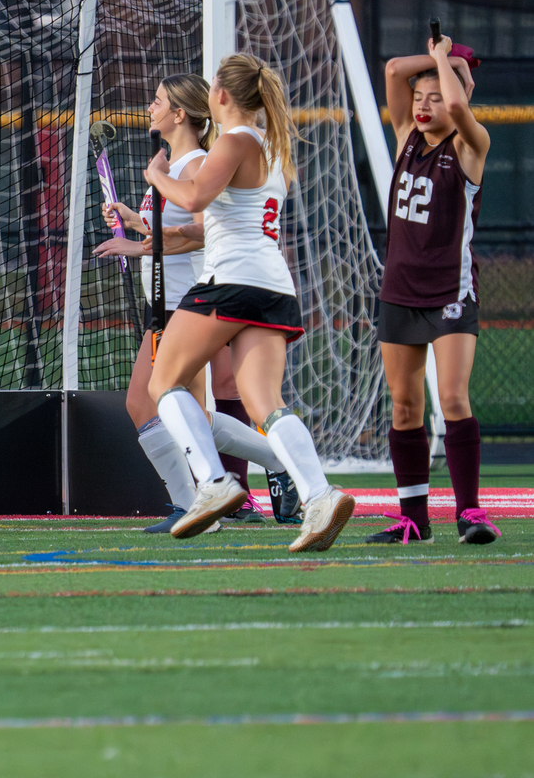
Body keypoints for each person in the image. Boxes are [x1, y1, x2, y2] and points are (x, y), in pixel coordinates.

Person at [144, 53, 354, 551]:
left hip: (231, 279)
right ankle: (319, 495)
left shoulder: (236, 140)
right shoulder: (273, 146)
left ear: (220, 96)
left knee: (163, 382)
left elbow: (194, 197)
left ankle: (214, 483)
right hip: (273, 285)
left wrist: (157, 175)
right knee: (266, 404)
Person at [96, 74, 298, 533]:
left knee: (147, 402)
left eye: (158, 100)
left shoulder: (192, 165)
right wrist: (134, 221)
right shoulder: (177, 163)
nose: (151, 107)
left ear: (179, 114)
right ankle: (272, 465)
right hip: (170, 302)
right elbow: (172, 229)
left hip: (188, 301)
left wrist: (141, 246)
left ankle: (195, 506)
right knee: (180, 408)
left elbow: (206, 230)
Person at [372, 36, 497, 545]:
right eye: (419, 98)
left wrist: (450, 62)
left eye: (435, 98)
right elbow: (397, 67)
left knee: (452, 398)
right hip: (399, 291)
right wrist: (439, 53)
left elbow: (461, 105)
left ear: (458, 94)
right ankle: (413, 519)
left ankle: (469, 513)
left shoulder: (471, 145)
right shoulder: (406, 135)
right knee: (404, 406)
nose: (423, 106)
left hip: (449, 291)